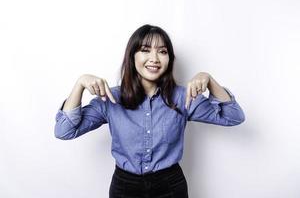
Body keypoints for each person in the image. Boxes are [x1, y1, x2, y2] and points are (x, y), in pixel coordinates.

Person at [54, 24, 245, 198]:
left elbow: (234, 117)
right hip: (124, 187)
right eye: (145, 50)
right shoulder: (110, 98)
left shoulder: (183, 97)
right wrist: (79, 84)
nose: (154, 58)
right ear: (132, 56)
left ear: (169, 59)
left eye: (162, 51)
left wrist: (210, 80)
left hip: (170, 186)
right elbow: (64, 131)